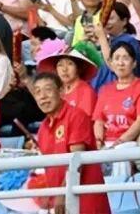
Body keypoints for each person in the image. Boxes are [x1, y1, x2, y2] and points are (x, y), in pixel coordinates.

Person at [32, 72, 111, 214]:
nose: (42, 96)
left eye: (48, 90)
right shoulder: (43, 128)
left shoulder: (76, 116)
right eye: (37, 92)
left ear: (61, 91)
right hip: (60, 202)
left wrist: (63, 193)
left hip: (85, 199)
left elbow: (76, 162)